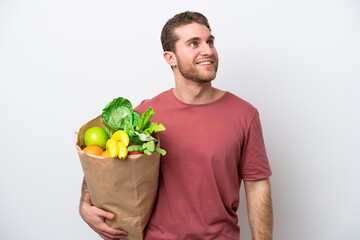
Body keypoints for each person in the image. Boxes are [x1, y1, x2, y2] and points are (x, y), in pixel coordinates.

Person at [80, 11, 273, 240]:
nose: (208, 50)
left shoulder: (244, 115)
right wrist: (85, 205)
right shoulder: (144, 117)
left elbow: (257, 188)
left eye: (210, 42)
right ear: (170, 58)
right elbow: (105, 160)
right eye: (194, 43)